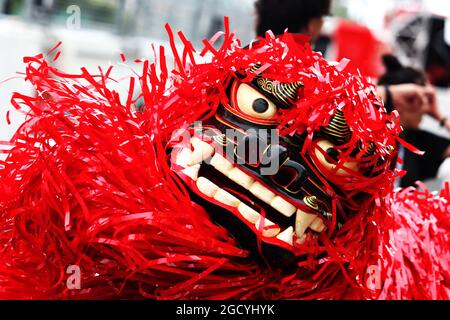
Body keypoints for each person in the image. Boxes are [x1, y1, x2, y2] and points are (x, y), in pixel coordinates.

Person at [378, 55, 450, 187]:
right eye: (426, 99)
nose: (426, 108)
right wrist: (389, 94)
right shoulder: (366, 131)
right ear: (409, 99)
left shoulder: (415, 140)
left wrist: (440, 116)